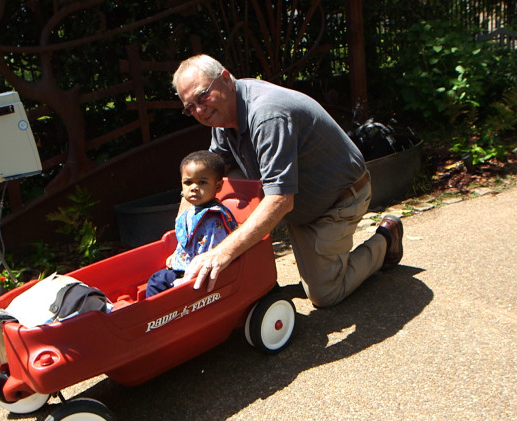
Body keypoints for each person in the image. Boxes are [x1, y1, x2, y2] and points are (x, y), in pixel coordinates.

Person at [171, 54, 404, 308]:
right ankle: (252, 269)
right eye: (190, 107)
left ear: (225, 78)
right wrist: (183, 232)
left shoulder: (267, 115)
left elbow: (280, 200)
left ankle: (386, 240)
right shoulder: (223, 116)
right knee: (214, 182)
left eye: (203, 96)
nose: (200, 111)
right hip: (300, 201)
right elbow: (205, 173)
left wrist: (221, 253)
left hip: (338, 201)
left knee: (325, 294)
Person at [145, 150, 238, 298]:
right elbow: (188, 240)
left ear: (218, 187)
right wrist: (177, 255)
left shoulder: (214, 219)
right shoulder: (191, 211)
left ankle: (162, 317)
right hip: (184, 266)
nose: (193, 187)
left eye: (202, 182)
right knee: (157, 279)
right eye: (188, 182)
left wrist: (186, 280)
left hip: (198, 275)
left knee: (158, 283)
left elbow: (212, 256)